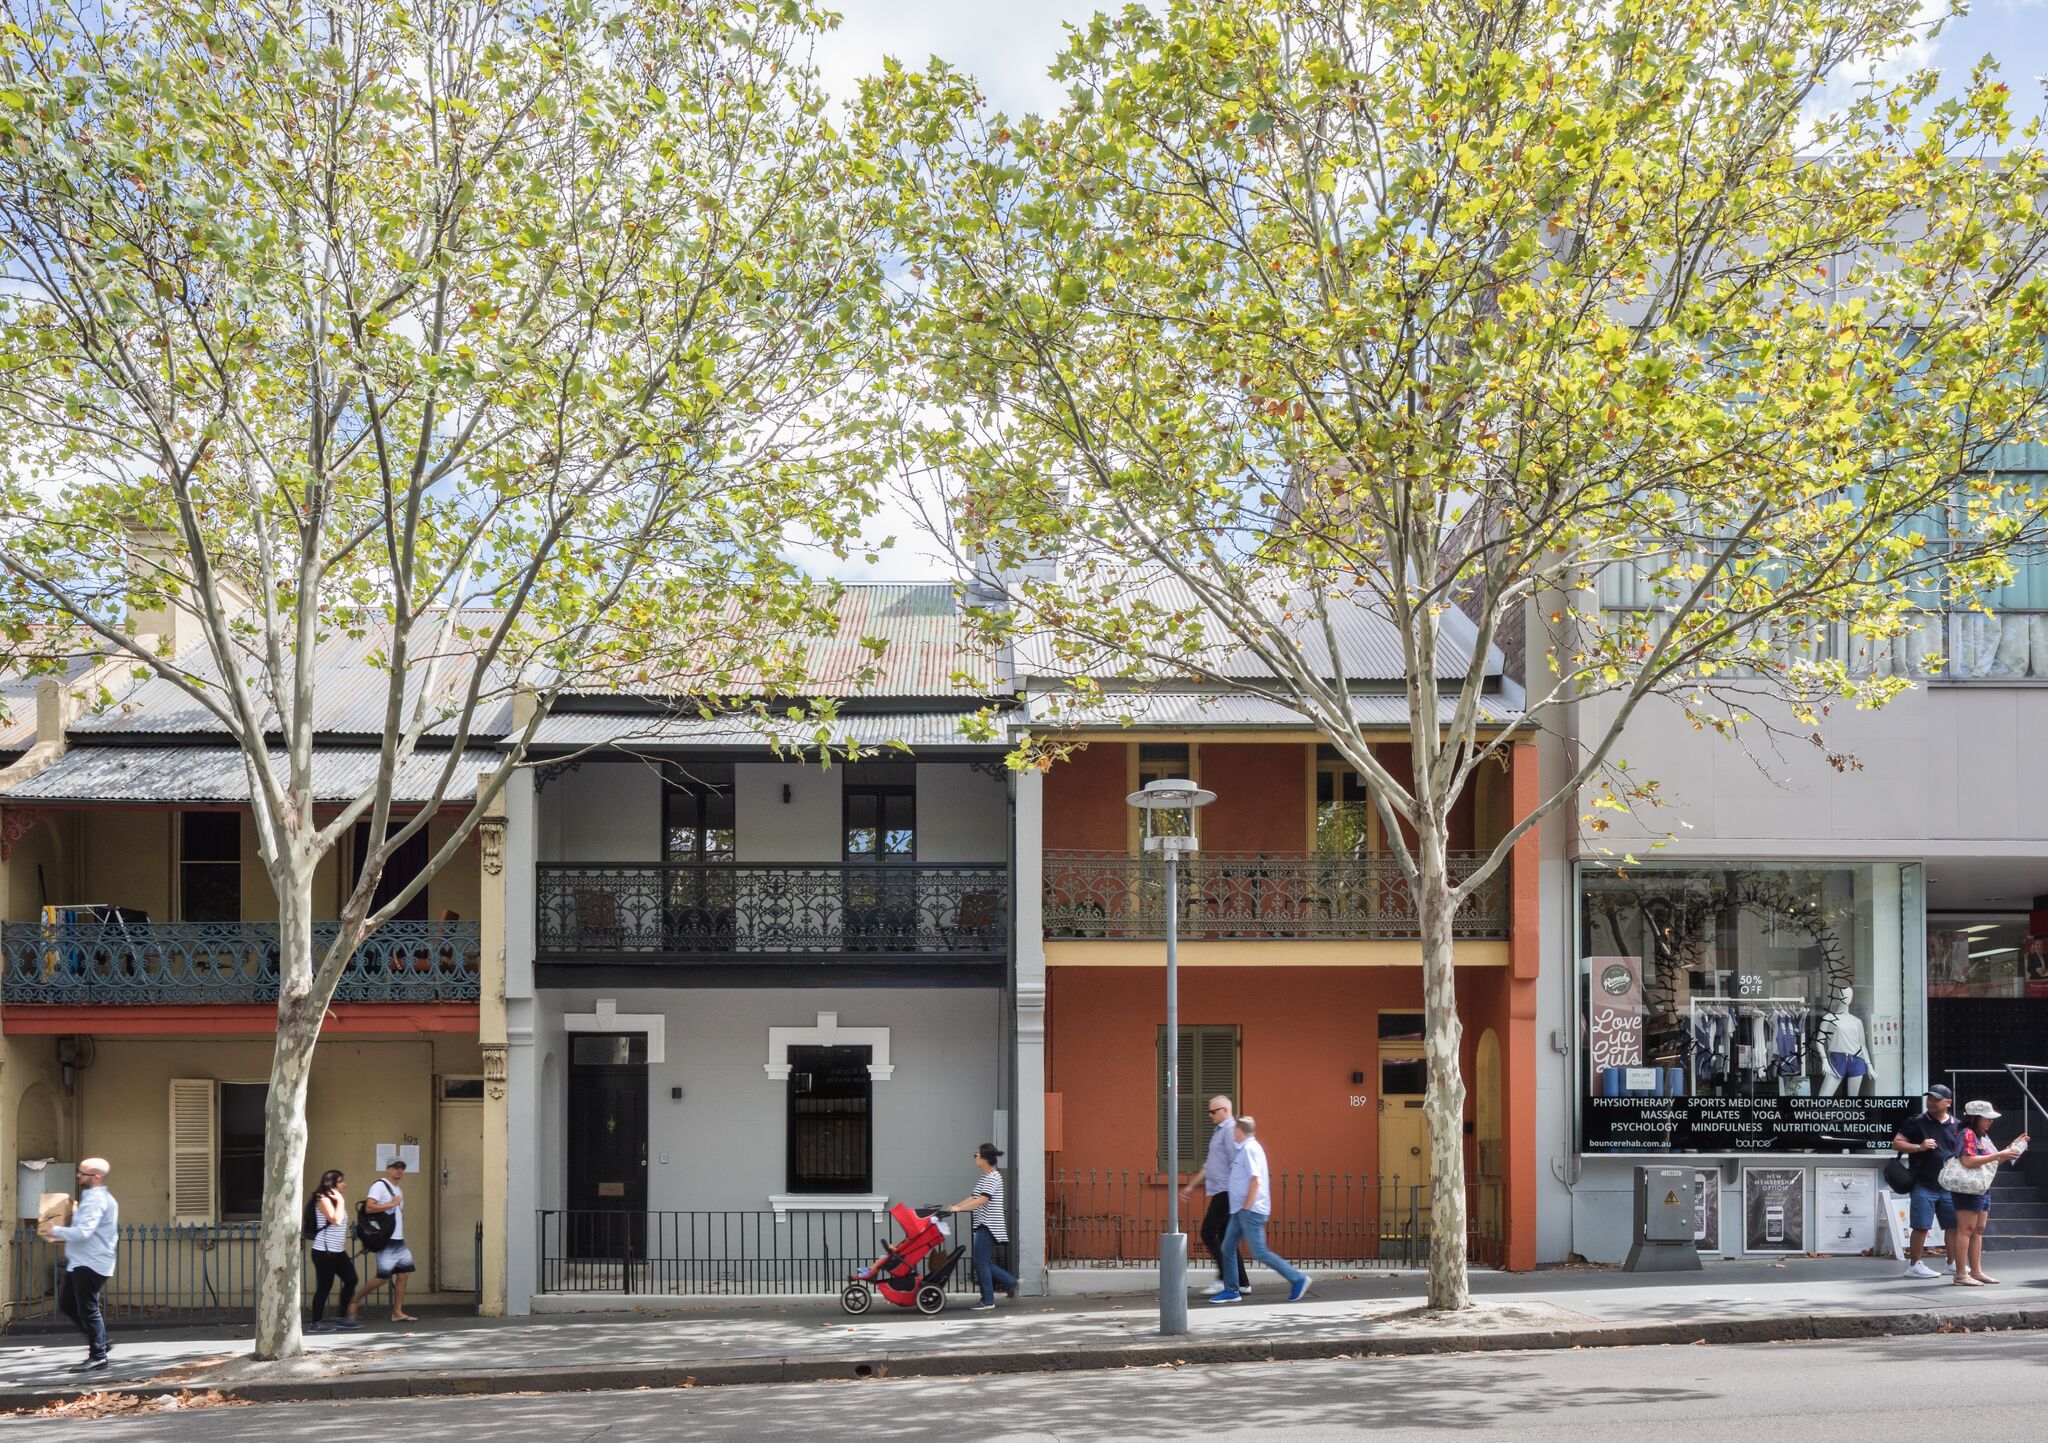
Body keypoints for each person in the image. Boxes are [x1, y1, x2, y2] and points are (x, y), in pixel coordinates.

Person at [1210, 1117, 1311, 1305]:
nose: (1233, 1133)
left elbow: (1256, 1180)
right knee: (1227, 1247)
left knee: (1259, 1252)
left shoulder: (1249, 1149)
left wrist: (1247, 1207)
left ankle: (1298, 1279)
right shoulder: (1246, 1149)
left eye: (1234, 1130)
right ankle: (1232, 1290)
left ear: (1240, 1130)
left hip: (1250, 1210)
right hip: (1241, 1210)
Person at [48, 1157, 119, 1372]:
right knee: (68, 1305)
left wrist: (55, 1230)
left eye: (83, 1173)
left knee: (88, 1309)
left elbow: (83, 1232)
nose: (79, 1176)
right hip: (80, 1262)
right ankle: (101, 1342)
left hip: (90, 1263)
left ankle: (98, 1356)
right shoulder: (91, 1199)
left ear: (97, 1177)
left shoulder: (97, 1200)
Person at [1948, 1101, 2029, 1287]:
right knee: (1966, 1230)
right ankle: (1961, 1274)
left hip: (1981, 1187)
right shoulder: (1967, 1134)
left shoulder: (1982, 1136)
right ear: (1975, 1118)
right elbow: (1968, 1161)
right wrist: (2000, 1154)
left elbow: (1992, 1161)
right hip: (1969, 1188)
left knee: (1978, 1230)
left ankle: (1976, 1271)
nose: (1990, 1121)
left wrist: (2011, 1149)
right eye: (1987, 1117)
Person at [1179, 1094, 1249, 1297]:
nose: (1210, 1115)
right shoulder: (1219, 1131)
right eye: (1209, 1111)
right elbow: (1209, 1166)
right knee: (1227, 1238)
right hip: (1221, 1191)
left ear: (1225, 1110)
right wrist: (1191, 1186)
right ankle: (1242, 1283)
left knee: (1208, 1233)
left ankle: (1224, 1279)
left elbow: (1237, 1161)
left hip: (1227, 1192)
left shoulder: (1229, 1130)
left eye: (1213, 1111)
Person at [1892, 1084, 1962, 1279]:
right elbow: (1896, 1143)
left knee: (1953, 1225)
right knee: (1921, 1226)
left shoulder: (1958, 1125)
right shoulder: (1916, 1122)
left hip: (1949, 1185)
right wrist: (1919, 1147)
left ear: (1948, 1103)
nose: (1930, 1102)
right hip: (1923, 1182)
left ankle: (1951, 1263)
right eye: (1929, 1098)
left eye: (1936, 1099)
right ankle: (1914, 1265)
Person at [947, 1143, 1016, 1311]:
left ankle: (988, 1300)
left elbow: (983, 1199)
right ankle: (1010, 1281)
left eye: (976, 1155)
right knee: (982, 1261)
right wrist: (956, 1206)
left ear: (985, 1158)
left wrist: (959, 1208)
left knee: (981, 1263)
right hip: (983, 1223)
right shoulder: (986, 1177)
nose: (975, 1157)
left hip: (988, 1224)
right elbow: (974, 1196)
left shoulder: (993, 1177)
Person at [354, 1158, 418, 1323]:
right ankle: (355, 1299)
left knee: (403, 1274)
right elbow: (369, 1207)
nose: (399, 1170)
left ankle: (397, 1312)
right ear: (388, 1169)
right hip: (386, 1239)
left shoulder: (398, 1189)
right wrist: (391, 1204)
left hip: (398, 1239)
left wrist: (393, 1206)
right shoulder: (379, 1186)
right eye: (395, 1167)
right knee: (383, 1277)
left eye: (402, 1167)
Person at [307, 1170, 361, 1333]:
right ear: (331, 1184)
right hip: (324, 1251)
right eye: (340, 1182)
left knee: (351, 1279)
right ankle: (315, 1323)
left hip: (337, 1251)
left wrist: (339, 1200)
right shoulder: (322, 1199)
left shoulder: (334, 1199)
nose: (344, 1184)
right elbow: (336, 1220)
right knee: (325, 1287)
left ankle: (342, 1318)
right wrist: (341, 1201)